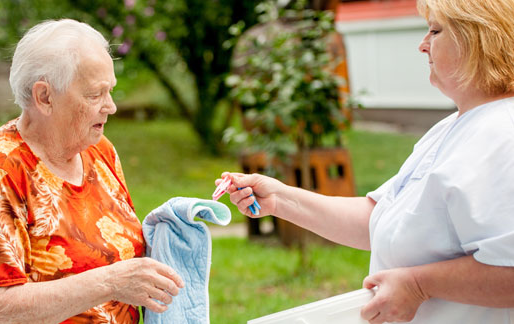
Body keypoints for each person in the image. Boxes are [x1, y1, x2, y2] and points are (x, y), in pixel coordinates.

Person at [218, 0, 514, 323]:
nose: (422, 45)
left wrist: (418, 286)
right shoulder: (454, 125)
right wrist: (279, 198)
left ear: (478, 39)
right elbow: (379, 219)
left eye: (435, 31)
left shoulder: (502, 135)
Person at [0, 19, 184, 324]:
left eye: (110, 91)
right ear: (44, 97)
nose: (111, 106)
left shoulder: (99, 150)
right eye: (95, 95)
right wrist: (110, 282)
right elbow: (0, 311)